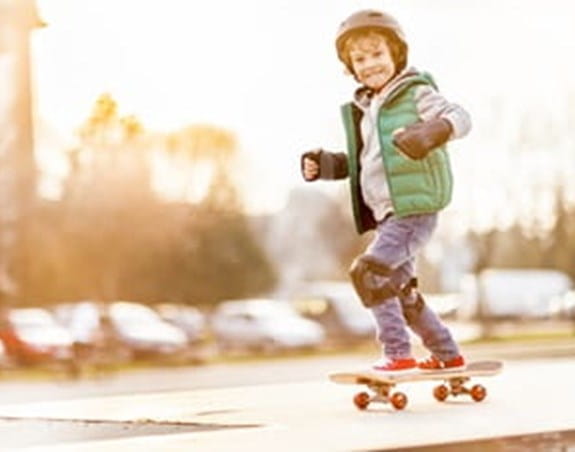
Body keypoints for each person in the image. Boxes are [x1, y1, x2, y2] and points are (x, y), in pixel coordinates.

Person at [300, 9, 471, 374]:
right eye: (359, 59)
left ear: (396, 54)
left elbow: (460, 117)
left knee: (369, 273)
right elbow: (365, 162)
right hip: (389, 215)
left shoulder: (415, 92)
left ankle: (397, 353)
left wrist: (430, 133)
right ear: (350, 66)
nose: (369, 64)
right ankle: (448, 355)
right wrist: (327, 164)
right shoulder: (368, 108)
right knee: (403, 292)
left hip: (414, 208)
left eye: (377, 54)